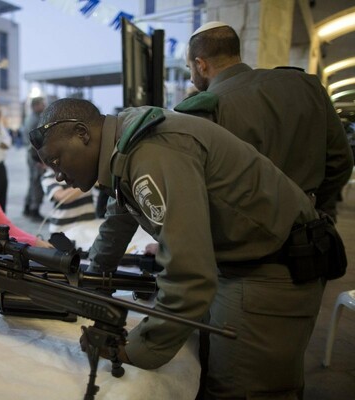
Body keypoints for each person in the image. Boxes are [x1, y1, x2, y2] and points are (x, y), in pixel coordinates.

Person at [29, 98, 339, 399]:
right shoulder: (124, 141)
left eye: (57, 161)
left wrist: (136, 348)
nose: (58, 175)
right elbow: (118, 215)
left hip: (272, 268)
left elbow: (189, 277)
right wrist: (93, 279)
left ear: (82, 134)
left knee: (239, 388)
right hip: (248, 258)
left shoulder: (150, 153)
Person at [176, 21, 354, 221]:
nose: (191, 78)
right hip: (308, 238)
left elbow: (192, 190)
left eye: (189, 67)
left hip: (240, 245)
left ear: (201, 65)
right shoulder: (307, 86)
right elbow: (341, 161)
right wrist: (309, 207)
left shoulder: (207, 109)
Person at [41, 167, 96, 233]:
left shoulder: (81, 169)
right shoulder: (48, 177)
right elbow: (62, 197)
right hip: (63, 228)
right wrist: (89, 182)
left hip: (88, 223)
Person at [22, 96, 47, 222]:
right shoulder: (35, 119)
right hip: (35, 156)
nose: (44, 106)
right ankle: (34, 210)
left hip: (31, 155)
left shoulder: (30, 118)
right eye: (42, 104)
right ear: (36, 105)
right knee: (37, 183)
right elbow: (35, 142)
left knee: (32, 182)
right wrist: (40, 160)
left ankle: (27, 208)